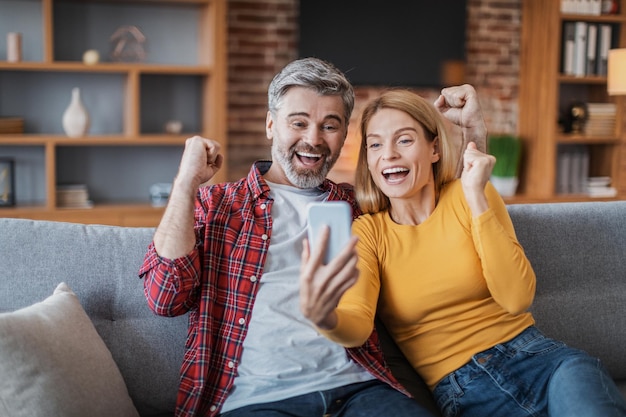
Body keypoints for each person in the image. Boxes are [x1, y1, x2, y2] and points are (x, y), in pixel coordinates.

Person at [139, 57, 485, 417]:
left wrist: (473, 132)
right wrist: (186, 182)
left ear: (344, 135)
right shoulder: (219, 204)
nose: (313, 139)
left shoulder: (361, 206)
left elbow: (446, 214)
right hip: (258, 400)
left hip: (359, 391)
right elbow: (165, 298)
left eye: (329, 126)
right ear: (271, 124)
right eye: (299, 122)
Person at [300, 89, 626, 417]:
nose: (389, 154)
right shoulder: (369, 234)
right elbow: (356, 321)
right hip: (464, 389)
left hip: (547, 362)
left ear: (435, 149)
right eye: (375, 144)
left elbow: (516, 298)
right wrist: (324, 316)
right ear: (368, 160)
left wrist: (476, 195)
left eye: (404, 140)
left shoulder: (469, 194)